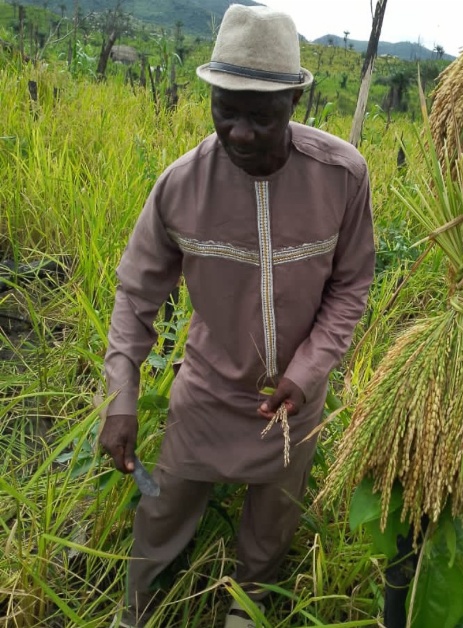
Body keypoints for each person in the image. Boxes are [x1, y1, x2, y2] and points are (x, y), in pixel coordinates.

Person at [100, 5, 375, 627]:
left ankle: (244, 607)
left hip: (295, 399)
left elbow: (353, 282)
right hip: (207, 390)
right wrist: (120, 397)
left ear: (294, 104)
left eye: (262, 115)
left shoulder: (341, 177)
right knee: (162, 509)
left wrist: (307, 373)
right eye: (227, 110)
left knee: (272, 519)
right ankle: (134, 609)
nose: (241, 133)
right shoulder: (180, 187)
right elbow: (135, 296)